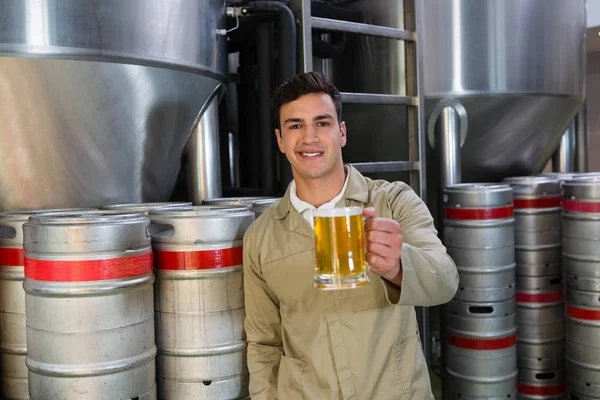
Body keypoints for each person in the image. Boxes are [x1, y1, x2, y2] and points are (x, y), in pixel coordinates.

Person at [242, 71, 458, 399]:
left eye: (323, 123)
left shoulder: (394, 200)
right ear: (280, 140)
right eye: (295, 125)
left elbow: (445, 280)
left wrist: (398, 267)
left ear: (342, 132)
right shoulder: (260, 237)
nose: (309, 137)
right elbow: (263, 344)